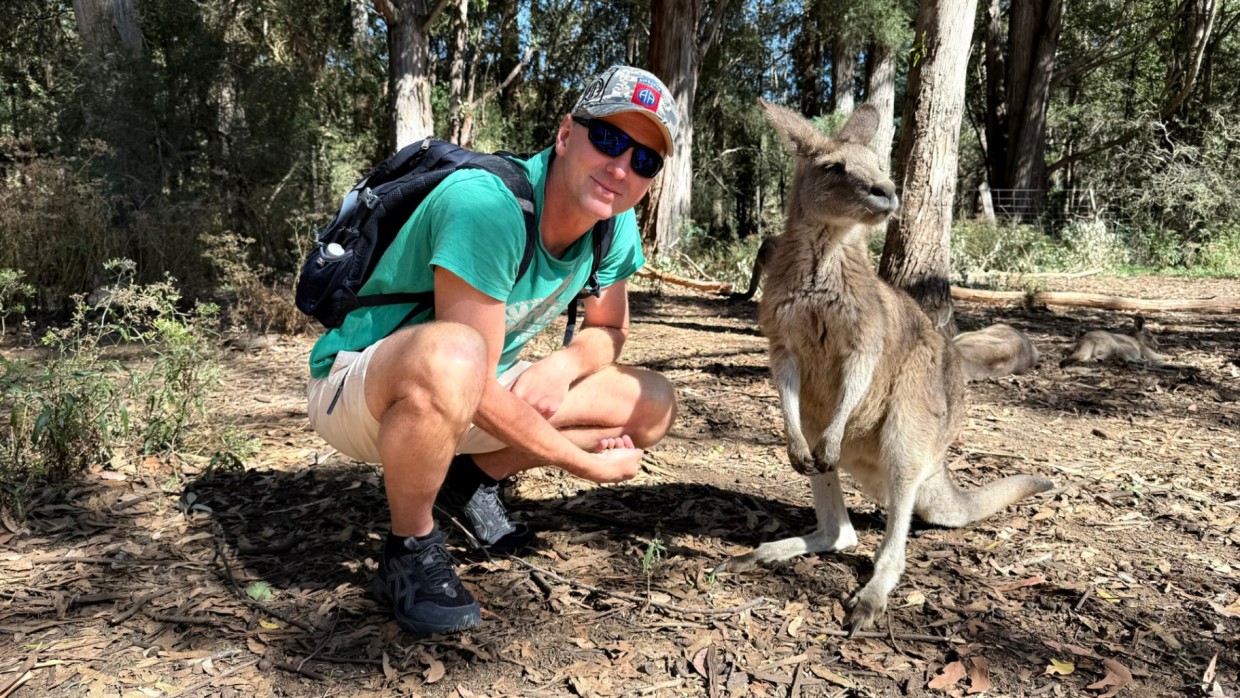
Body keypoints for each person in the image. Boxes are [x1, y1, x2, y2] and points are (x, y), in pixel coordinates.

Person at [305, 66, 679, 635]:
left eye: (644, 160)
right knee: (455, 357)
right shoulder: (488, 205)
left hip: (470, 383)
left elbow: (611, 329)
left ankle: (468, 479)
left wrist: (564, 364)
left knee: (650, 401)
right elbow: (467, 375)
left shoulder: (613, 223)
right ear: (564, 134)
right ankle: (410, 547)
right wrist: (580, 462)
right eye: (609, 138)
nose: (622, 167)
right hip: (361, 385)